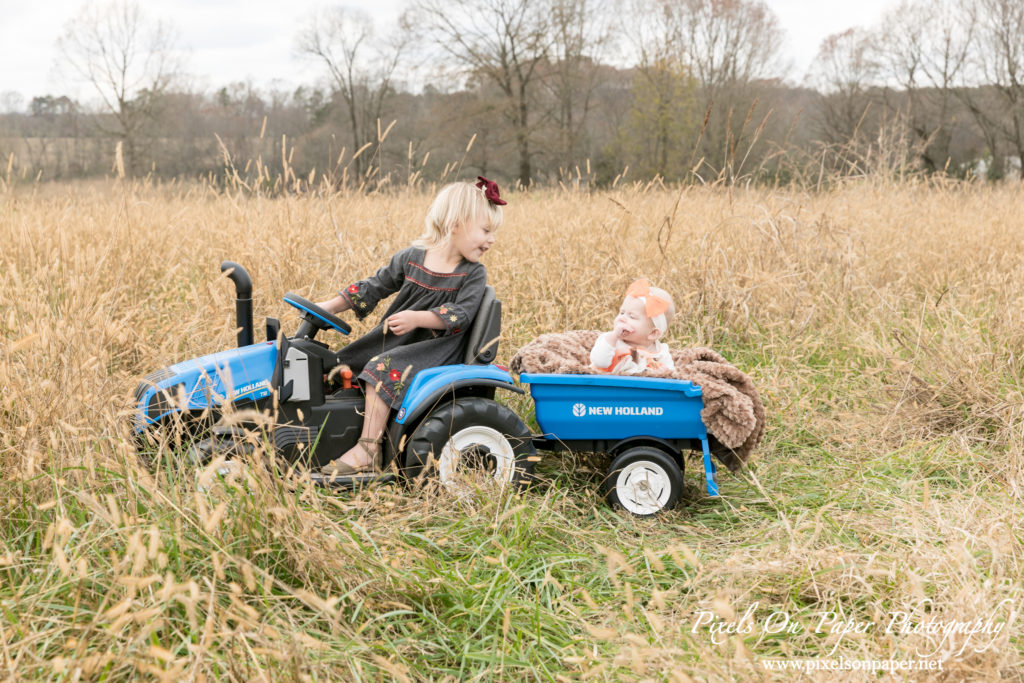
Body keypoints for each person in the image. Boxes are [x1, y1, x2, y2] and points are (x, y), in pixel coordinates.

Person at [315, 177, 506, 476]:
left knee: (382, 370)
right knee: (340, 365)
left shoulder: (472, 274)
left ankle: (368, 450)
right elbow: (373, 288)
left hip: (437, 349)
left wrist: (418, 318)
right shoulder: (411, 258)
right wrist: (324, 307)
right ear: (457, 223)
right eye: (486, 230)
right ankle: (321, 435)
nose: (491, 240)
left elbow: (461, 314)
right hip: (396, 341)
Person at [590, 278, 675, 375]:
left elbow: (672, 375)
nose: (622, 318)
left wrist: (665, 372)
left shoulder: (660, 352)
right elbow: (600, 362)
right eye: (622, 312)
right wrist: (613, 337)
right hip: (604, 386)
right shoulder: (610, 341)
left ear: (652, 333)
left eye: (632, 316)